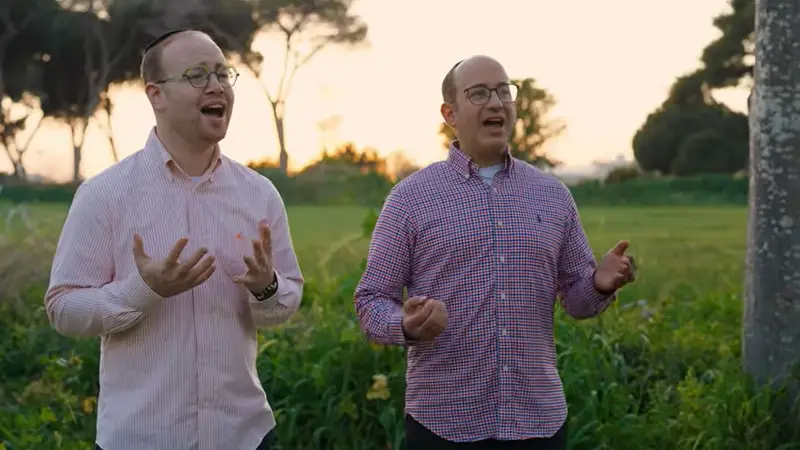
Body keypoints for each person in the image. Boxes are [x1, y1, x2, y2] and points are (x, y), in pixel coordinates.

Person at [353, 55, 637, 450]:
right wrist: (406, 324)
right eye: (479, 93)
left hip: (537, 420)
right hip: (443, 421)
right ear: (450, 114)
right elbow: (371, 300)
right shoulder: (410, 199)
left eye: (504, 92)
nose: (496, 103)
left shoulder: (553, 196)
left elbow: (577, 301)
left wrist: (600, 284)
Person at [44, 29, 304, 450]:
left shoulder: (259, 194)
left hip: (244, 436)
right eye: (198, 75)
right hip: (141, 437)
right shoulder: (104, 194)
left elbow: (282, 306)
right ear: (156, 94)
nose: (216, 86)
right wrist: (142, 290)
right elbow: (62, 309)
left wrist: (265, 287)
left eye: (222, 74)